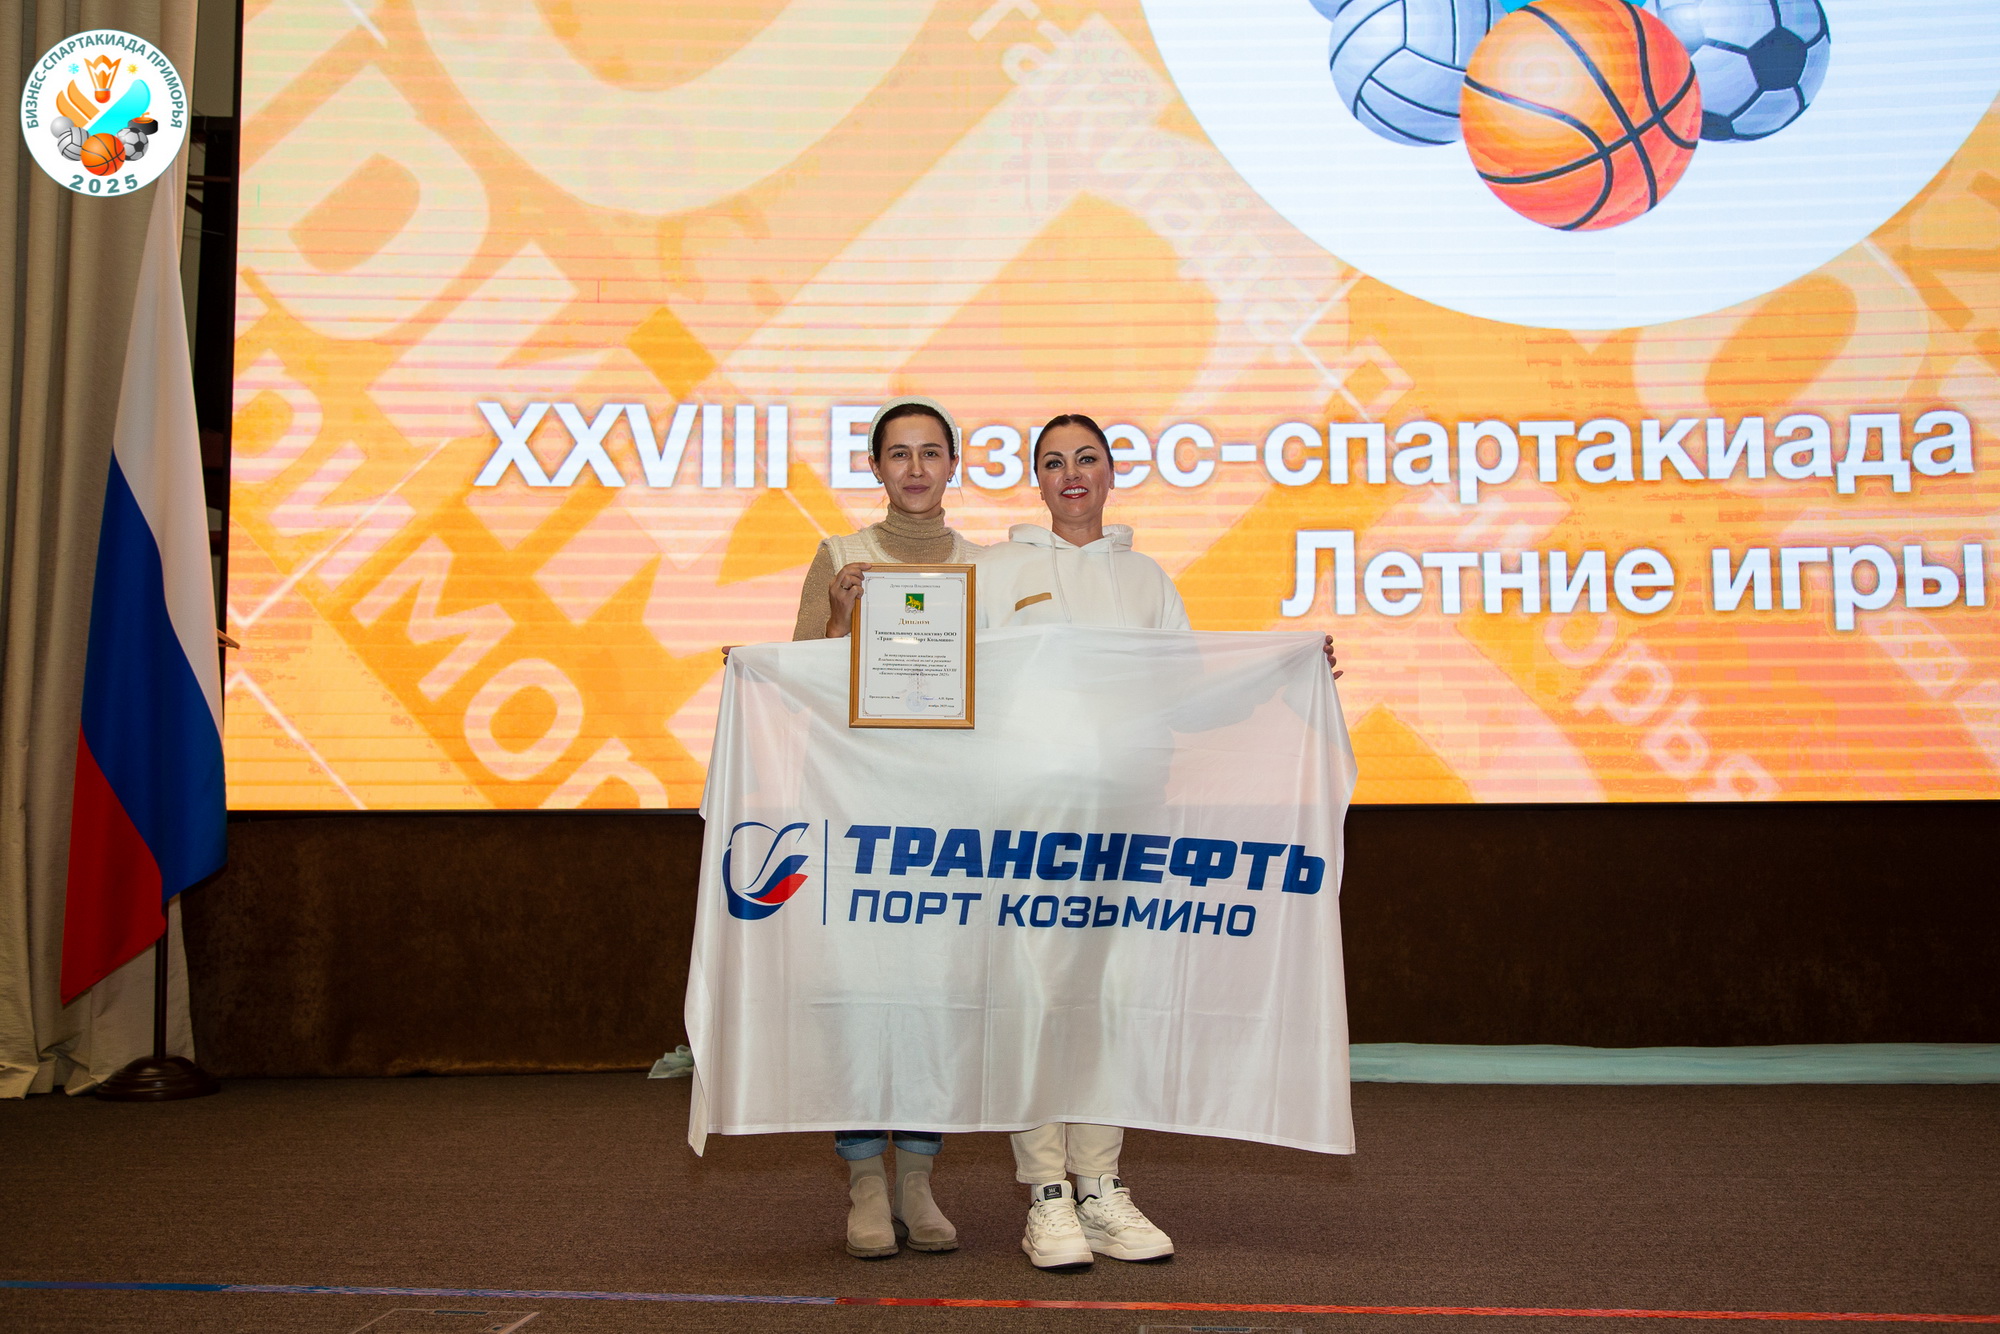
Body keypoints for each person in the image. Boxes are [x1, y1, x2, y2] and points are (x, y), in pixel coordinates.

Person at [976, 413, 1340, 1271]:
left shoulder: (1146, 579)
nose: (1072, 473)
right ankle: (1046, 1193)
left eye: (1087, 459)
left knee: (1111, 998)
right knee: (1036, 996)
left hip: (1130, 816)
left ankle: (1100, 1186)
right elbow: (945, 677)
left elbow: (1187, 699)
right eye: (1053, 461)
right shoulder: (994, 570)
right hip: (1028, 819)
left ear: (1110, 473)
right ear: (1036, 480)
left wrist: (1281, 671)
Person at [791, 396, 981, 1259]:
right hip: (858, 812)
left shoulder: (986, 566)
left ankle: (919, 1179)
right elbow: (800, 684)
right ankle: (866, 1179)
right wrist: (837, 621)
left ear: (953, 466)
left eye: (930, 452)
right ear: (873, 467)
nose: (915, 468)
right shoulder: (839, 556)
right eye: (897, 454)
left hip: (948, 812)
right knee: (862, 997)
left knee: (936, 995)